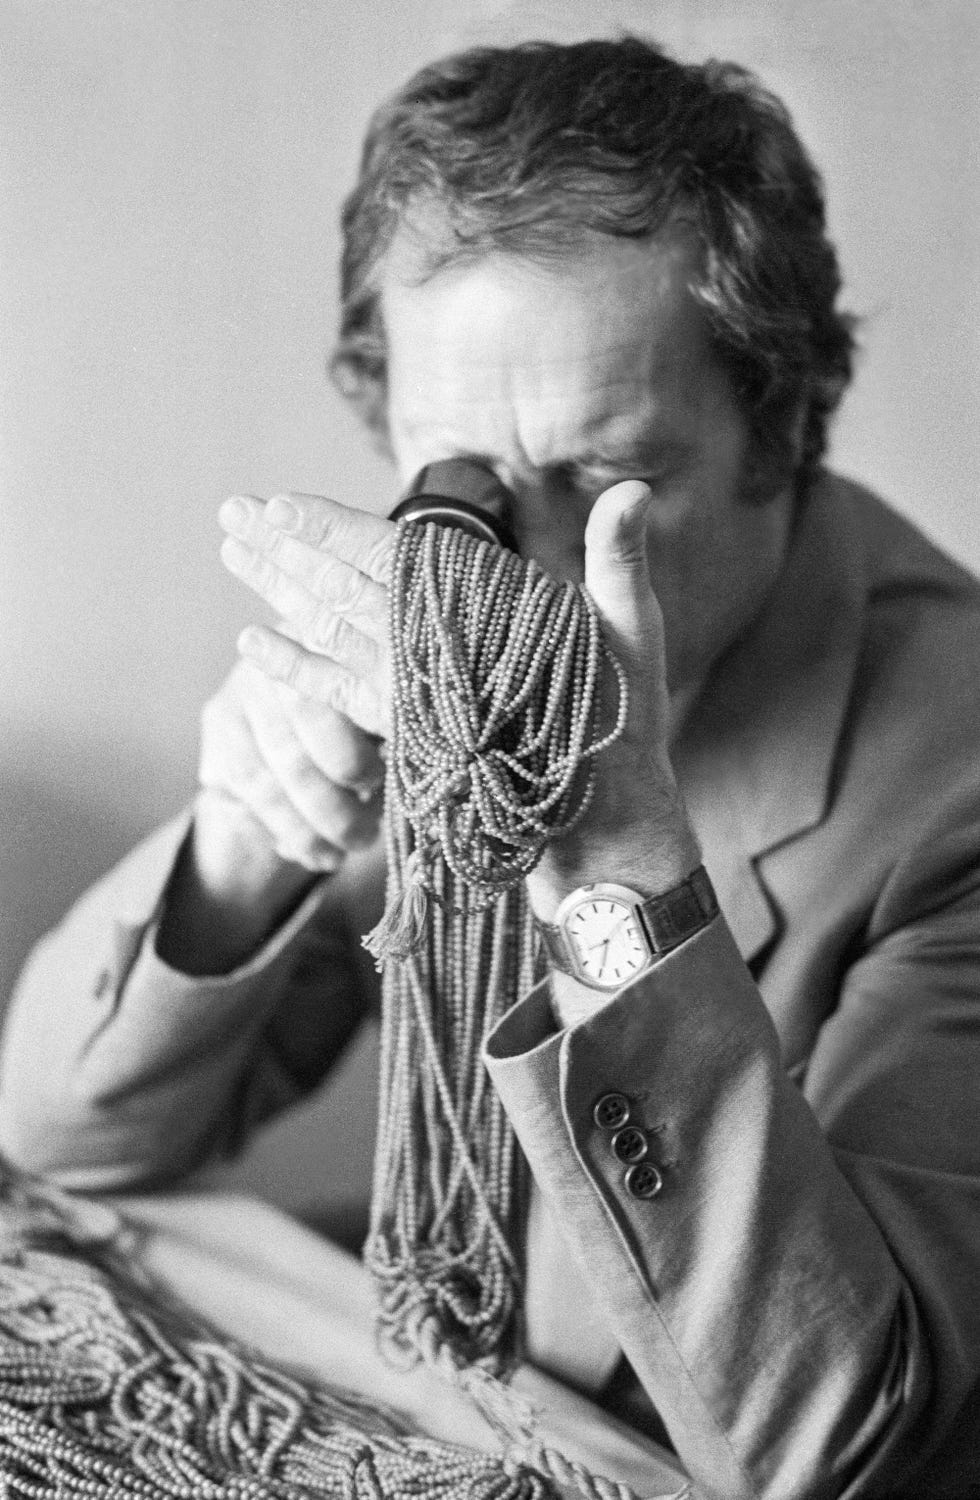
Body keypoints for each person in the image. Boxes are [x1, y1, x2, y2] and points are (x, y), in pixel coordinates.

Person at [2, 35, 979, 1500]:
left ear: (780, 426)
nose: (504, 568)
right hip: (448, 1385)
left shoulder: (955, 786)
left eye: (598, 481)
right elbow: (58, 1140)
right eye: (459, 476)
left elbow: (845, 1449)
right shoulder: (436, 608)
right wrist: (248, 841)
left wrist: (615, 852)